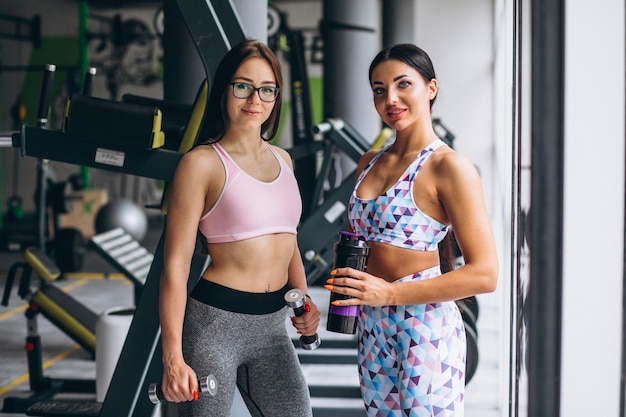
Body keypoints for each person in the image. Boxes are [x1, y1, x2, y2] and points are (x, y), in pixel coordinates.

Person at [324, 43, 498, 416]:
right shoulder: (369, 162)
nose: (391, 98)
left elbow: (485, 274)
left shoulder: (449, 167)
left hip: (425, 328)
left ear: (431, 88)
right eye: (379, 89)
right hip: (371, 325)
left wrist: (388, 293)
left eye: (404, 85)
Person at [158, 39, 320, 417]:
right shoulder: (201, 164)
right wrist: (172, 357)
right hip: (215, 327)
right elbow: (175, 268)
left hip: (273, 327)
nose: (254, 99)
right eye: (243, 86)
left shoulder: (284, 159)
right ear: (224, 90)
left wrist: (304, 298)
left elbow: (288, 240)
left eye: (267, 89)